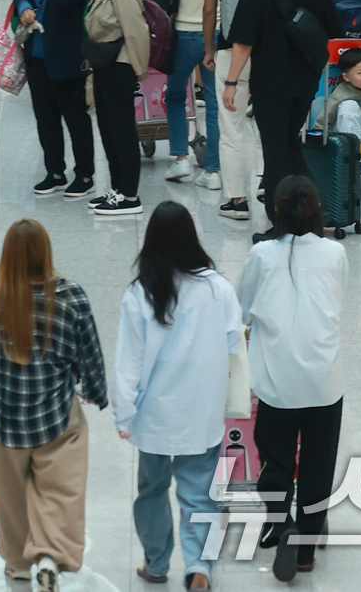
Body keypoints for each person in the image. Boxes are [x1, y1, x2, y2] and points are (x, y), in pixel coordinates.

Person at [0, 218, 109, 592]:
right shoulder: (72, 298)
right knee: (59, 492)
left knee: (9, 500)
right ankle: (48, 556)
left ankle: (19, 567)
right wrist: (96, 392)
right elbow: (90, 358)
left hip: (2, 421)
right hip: (55, 418)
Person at [114, 202, 242, 592]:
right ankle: (198, 566)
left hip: (153, 416)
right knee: (199, 490)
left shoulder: (139, 293)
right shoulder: (216, 288)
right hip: (200, 412)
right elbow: (234, 340)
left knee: (151, 489)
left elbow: (128, 362)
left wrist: (124, 414)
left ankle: (155, 564)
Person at [237, 175, 347, 580]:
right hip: (324, 382)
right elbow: (336, 300)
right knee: (318, 467)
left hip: (277, 385)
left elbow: (240, 309)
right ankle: (305, 550)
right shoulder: (335, 253)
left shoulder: (262, 255)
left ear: (276, 211)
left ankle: (280, 524)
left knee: (277, 461)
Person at [226, 0, 343, 215]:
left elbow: (242, 43)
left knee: (276, 151)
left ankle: (280, 223)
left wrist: (230, 83)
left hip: (269, 83)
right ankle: (310, 210)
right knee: (290, 142)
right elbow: (333, 30)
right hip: (306, 81)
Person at [142, 0, 223, 193]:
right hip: (214, 35)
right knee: (213, 103)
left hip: (182, 36)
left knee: (176, 96)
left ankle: (180, 159)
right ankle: (213, 169)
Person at [15, 0, 96, 198]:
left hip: (67, 56)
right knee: (45, 116)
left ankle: (85, 173)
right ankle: (55, 171)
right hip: (37, 54)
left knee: (75, 117)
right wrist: (23, 5)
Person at [199, 0, 268, 223]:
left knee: (231, 126)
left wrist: (209, 50)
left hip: (230, 49)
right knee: (268, 122)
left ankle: (236, 199)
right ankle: (268, 184)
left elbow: (210, 7)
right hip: (269, 52)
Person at [79, 0, 148, 215]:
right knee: (107, 128)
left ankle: (130, 195)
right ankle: (117, 188)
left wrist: (137, 70)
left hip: (120, 67)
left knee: (122, 131)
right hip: (104, 65)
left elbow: (136, 32)